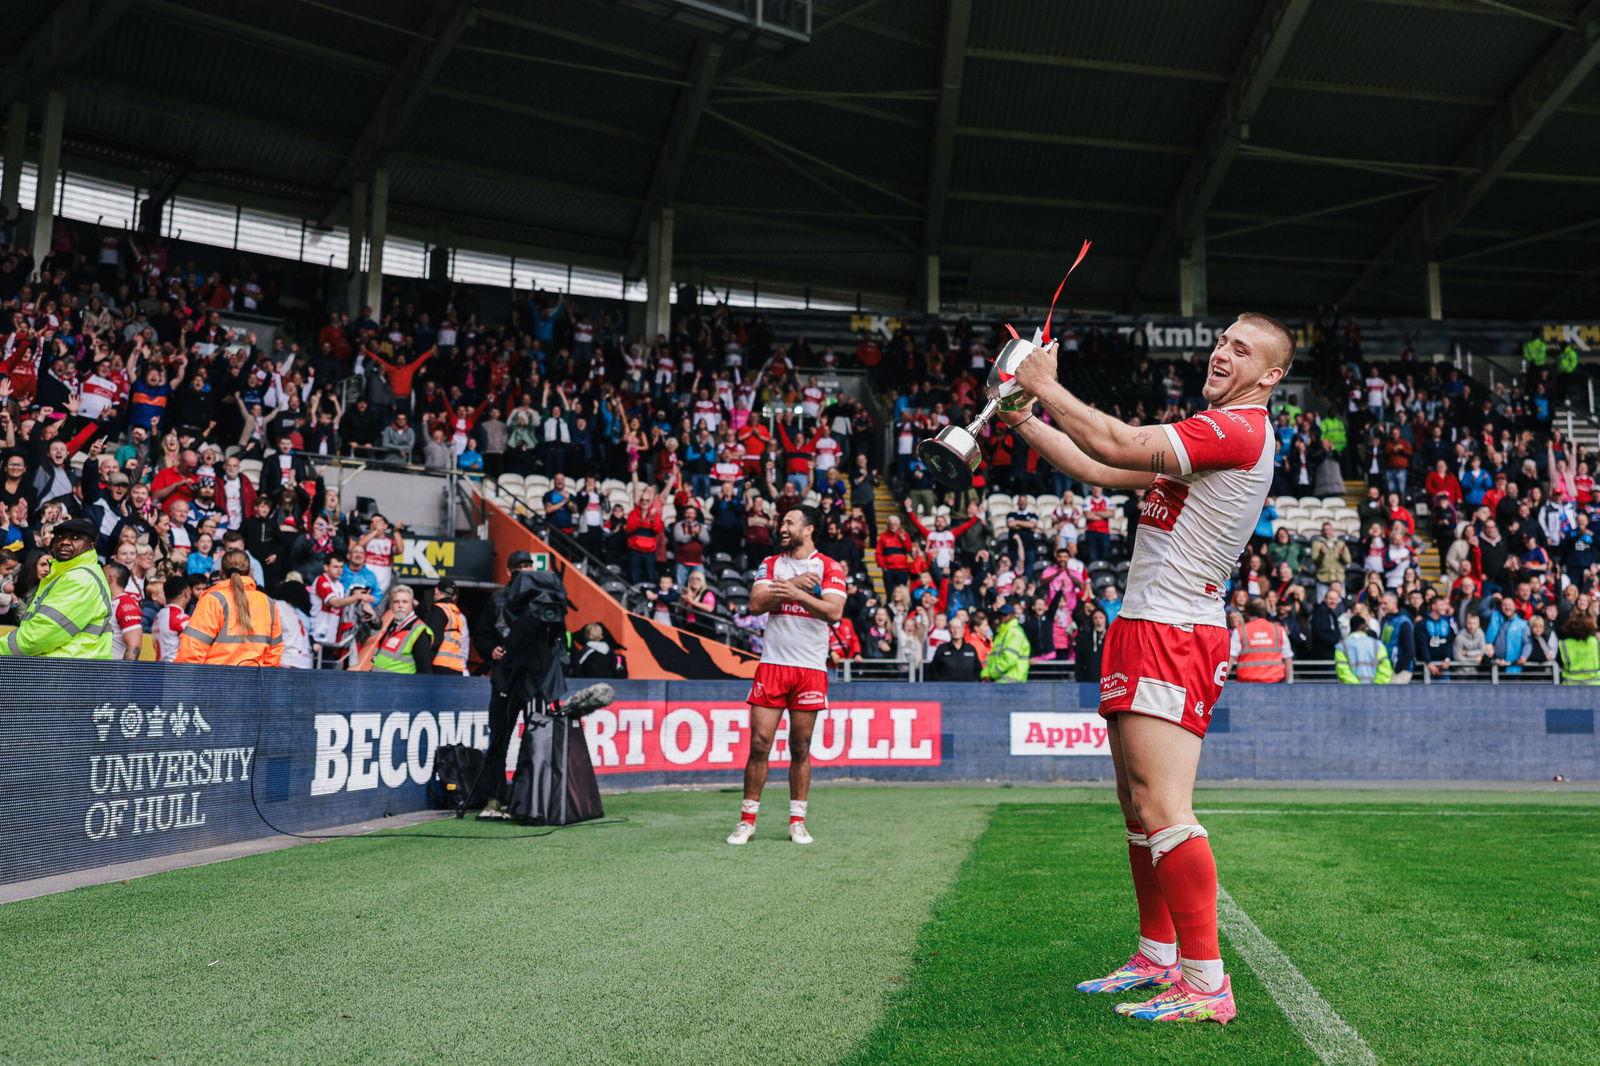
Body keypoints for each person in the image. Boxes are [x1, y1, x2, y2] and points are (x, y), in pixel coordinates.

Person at [1002, 312, 1298, 1024]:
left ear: (1271, 376)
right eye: (1223, 340)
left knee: (1165, 809)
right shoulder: (1211, 430)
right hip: (1146, 624)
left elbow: (1118, 439)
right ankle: (1157, 955)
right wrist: (1022, 419)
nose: (1223, 353)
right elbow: (1104, 468)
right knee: (1138, 811)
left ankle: (1206, 983)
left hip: (1174, 629)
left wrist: (1047, 383)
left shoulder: (1237, 428)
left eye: (1242, 349)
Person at [727, 505, 844, 847]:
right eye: (782, 522)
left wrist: (796, 595)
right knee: (759, 744)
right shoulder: (772, 564)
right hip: (773, 664)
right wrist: (791, 584)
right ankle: (747, 821)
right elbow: (755, 603)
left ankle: (797, 820)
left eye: (790, 522)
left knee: (800, 746)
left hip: (809, 668)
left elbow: (834, 612)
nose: (782, 526)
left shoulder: (828, 566)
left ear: (808, 530)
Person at [472, 549, 537, 819]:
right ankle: (494, 798)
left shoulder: (542, 600)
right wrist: (491, 651)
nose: (524, 569)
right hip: (503, 679)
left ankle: (524, 798)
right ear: (509, 571)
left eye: (527, 565)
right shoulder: (497, 600)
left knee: (534, 742)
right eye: (518, 566)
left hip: (532, 679)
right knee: (499, 740)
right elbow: (482, 635)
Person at [0, 518, 113, 659]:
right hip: (71, 670)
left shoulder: (80, 578)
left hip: (68, 672)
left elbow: (40, 635)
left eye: (75, 538)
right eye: (60, 536)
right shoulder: (68, 574)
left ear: (91, 546)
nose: (64, 541)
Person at [176, 549, 284, 666]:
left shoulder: (213, 600)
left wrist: (186, 681)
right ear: (250, 572)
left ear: (221, 571)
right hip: (254, 682)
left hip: (215, 681)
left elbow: (192, 649)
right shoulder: (268, 603)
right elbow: (274, 653)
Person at [369, 584, 435, 673]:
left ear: (412, 604)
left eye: (405, 602)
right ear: (391, 605)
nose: (400, 605)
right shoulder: (395, 625)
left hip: (400, 685)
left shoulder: (419, 631)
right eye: (396, 602)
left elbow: (424, 670)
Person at [1227, 598, 1291, 682]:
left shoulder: (1240, 631)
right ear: (1265, 611)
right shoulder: (1278, 630)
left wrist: (1219, 684)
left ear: (1248, 613)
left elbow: (1230, 659)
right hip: (1275, 684)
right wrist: (1289, 684)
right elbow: (1288, 658)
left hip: (1247, 685)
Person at [420, 579, 469, 675]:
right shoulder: (457, 614)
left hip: (438, 666)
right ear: (453, 596)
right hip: (456, 667)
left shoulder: (438, 610)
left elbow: (432, 640)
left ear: (436, 590)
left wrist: (424, 668)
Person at [104, 561, 145, 661]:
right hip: (102, 670)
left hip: (114, 671)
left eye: (102, 576)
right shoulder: (108, 603)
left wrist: (124, 675)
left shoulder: (125, 604)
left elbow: (134, 646)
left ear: (110, 578)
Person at [981, 602, 1030, 682]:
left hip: (1012, 682)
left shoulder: (1014, 632)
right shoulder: (1001, 633)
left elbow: (1009, 659)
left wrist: (991, 674)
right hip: (1000, 681)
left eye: (1005, 615)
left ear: (1012, 616)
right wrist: (986, 674)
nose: (1002, 617)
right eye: (1000, 614)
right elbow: (992, 658)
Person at [1335, 616, 1392, 684]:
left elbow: (1343, 671)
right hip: (1374, 691)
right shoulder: (1378, 645)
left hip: (1351, 691)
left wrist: (1357, 687)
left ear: (1351, 628)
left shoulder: (1341, 646)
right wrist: (1375, 687)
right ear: (1364, 627)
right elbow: (1385, 669)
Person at [151, 576, 194, 662]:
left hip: (160, 666)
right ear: (187, 592)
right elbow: (196, 643)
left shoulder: (159, 615)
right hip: (174, 669)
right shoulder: (180, 618)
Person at [1557, 611, 1599, 684]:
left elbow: (1560, 662)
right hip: (1594, 684)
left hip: (1570, 684)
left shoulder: (1564, 643)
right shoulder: (1596, 641)